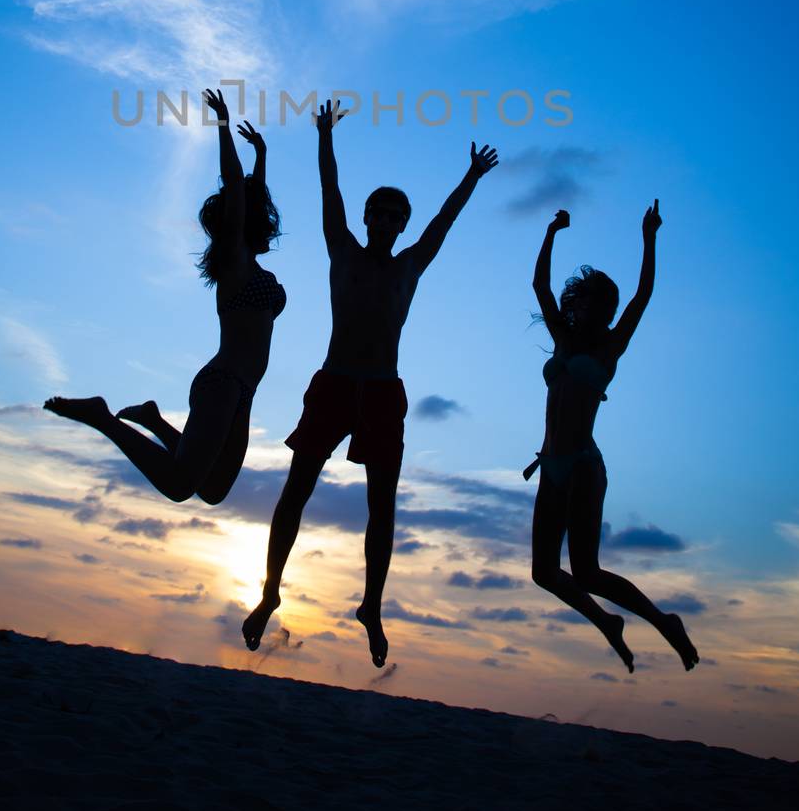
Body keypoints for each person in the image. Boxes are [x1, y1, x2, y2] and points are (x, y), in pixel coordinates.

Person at [242, 98, 498, 666]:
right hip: (333, 383)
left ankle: (371, 607)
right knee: (295, 493)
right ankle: (268, 593)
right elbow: (328, 193)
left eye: (392, 217)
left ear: (400, 224)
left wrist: (471, 177)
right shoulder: (343, 250)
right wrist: (325, 136)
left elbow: (443, 224)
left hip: (382, 391)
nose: (382, 222)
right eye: (375, 214)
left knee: (382, 508)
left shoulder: (409, 264)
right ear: (366, 220)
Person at [44, 88, 284, 505]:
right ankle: (103, 418)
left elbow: (253, 195)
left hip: (244, 390)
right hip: (222, 382)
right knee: (178, 485)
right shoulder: (234, 261)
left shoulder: (252, 265)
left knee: (211, 491)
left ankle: (153, 419)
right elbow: (235, 185)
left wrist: (262, 155)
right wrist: (223, 125)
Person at [526, 202, 699, 672]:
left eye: (606, 307)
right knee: (544, 571)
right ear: (577, 303)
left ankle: (666, 623)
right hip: (551, 464)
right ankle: (607, 622)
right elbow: (540, 285)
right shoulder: (562, 338)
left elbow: (644, 294)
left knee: (587, 570)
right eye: (589, 302)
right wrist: (551, 232)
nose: (597, 311)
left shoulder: (609, 347)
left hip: (582, 464)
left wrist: (649, 237)